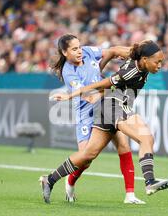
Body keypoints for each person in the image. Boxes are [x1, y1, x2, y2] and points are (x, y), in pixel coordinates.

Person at [40, 40, 168, 203]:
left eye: (161, 61)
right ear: (145, 59)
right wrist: (70, 96)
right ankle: (149, 182)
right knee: (145, 138)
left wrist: (126, 50)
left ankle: (50, 179)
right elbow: (105, 83)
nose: (160, 65)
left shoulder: (139, 62)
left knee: (89, 154)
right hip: (114, 107)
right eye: (157, 62)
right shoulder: (130, 72)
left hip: (110, 106)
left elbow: (115, 51)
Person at [50, 34, 145, 204]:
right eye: (74, 49)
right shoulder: (69, 72)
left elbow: (113, 50)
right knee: (85, 159)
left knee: (123, 145)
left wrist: (137, 54)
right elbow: (89, 96)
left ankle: (130, 195)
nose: (79, 51)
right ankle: (70, 182)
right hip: (86, 112)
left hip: (106, 105)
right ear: (64, 52)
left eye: (79, 47)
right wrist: (111, 85)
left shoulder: (87, 52)